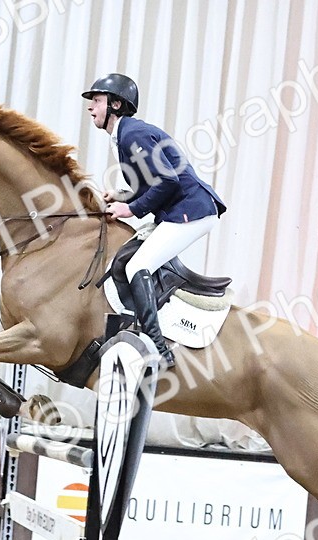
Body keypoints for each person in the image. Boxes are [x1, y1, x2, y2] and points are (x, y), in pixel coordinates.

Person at [82, 73, 226, 368]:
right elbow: (151, 184)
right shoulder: (124, 135)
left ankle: (158, 348)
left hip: (191, 211)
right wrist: (122, 196)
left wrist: (131, 210)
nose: (91, 107)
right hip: (181, 209)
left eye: (97, 100)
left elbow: (169, 182)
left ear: (116, 105)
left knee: (138, 265)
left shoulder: (131, 134)